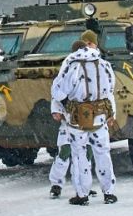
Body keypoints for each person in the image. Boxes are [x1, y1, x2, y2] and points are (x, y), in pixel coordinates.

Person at [48, 30, 118, 205]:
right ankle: (109, 192)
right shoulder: (104, 65)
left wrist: (64, 105)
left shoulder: (72, 64)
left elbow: (58, 90)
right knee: (103, 153)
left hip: (77, 119)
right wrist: (112, 114)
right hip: (100, 117)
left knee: (79, 155)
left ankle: (82, 194)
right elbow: (109, 91)